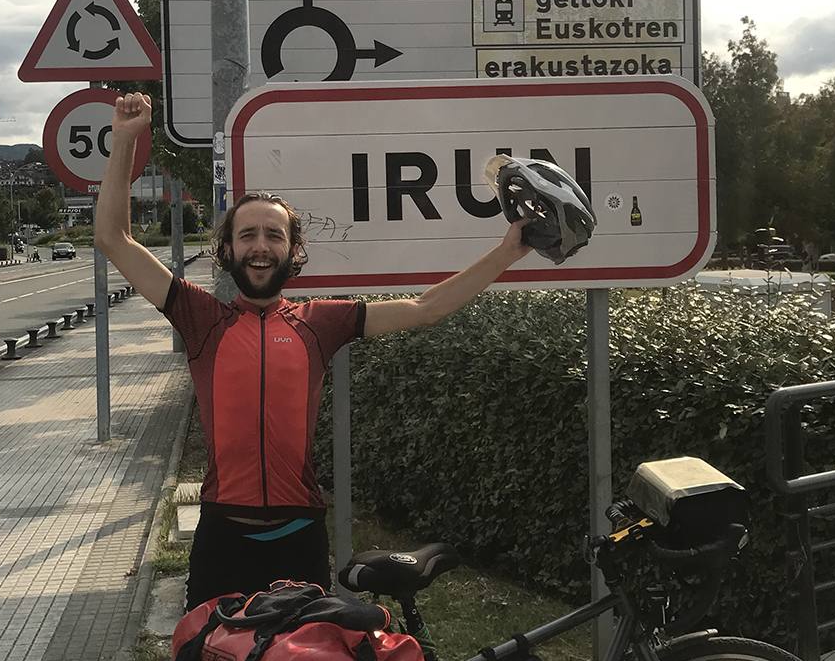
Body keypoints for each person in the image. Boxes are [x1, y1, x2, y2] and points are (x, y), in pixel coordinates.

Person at [95, 91, 532, 607]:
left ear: (292, 250)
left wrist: (508, 252)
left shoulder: (321, 321)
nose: (261, 245)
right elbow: (113, 239)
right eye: (248, 234)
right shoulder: (200, 318)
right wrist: (125, 139)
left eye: (274, 235)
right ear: (228, 250)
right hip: (220, 534)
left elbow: (424, 308)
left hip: (299, 534)